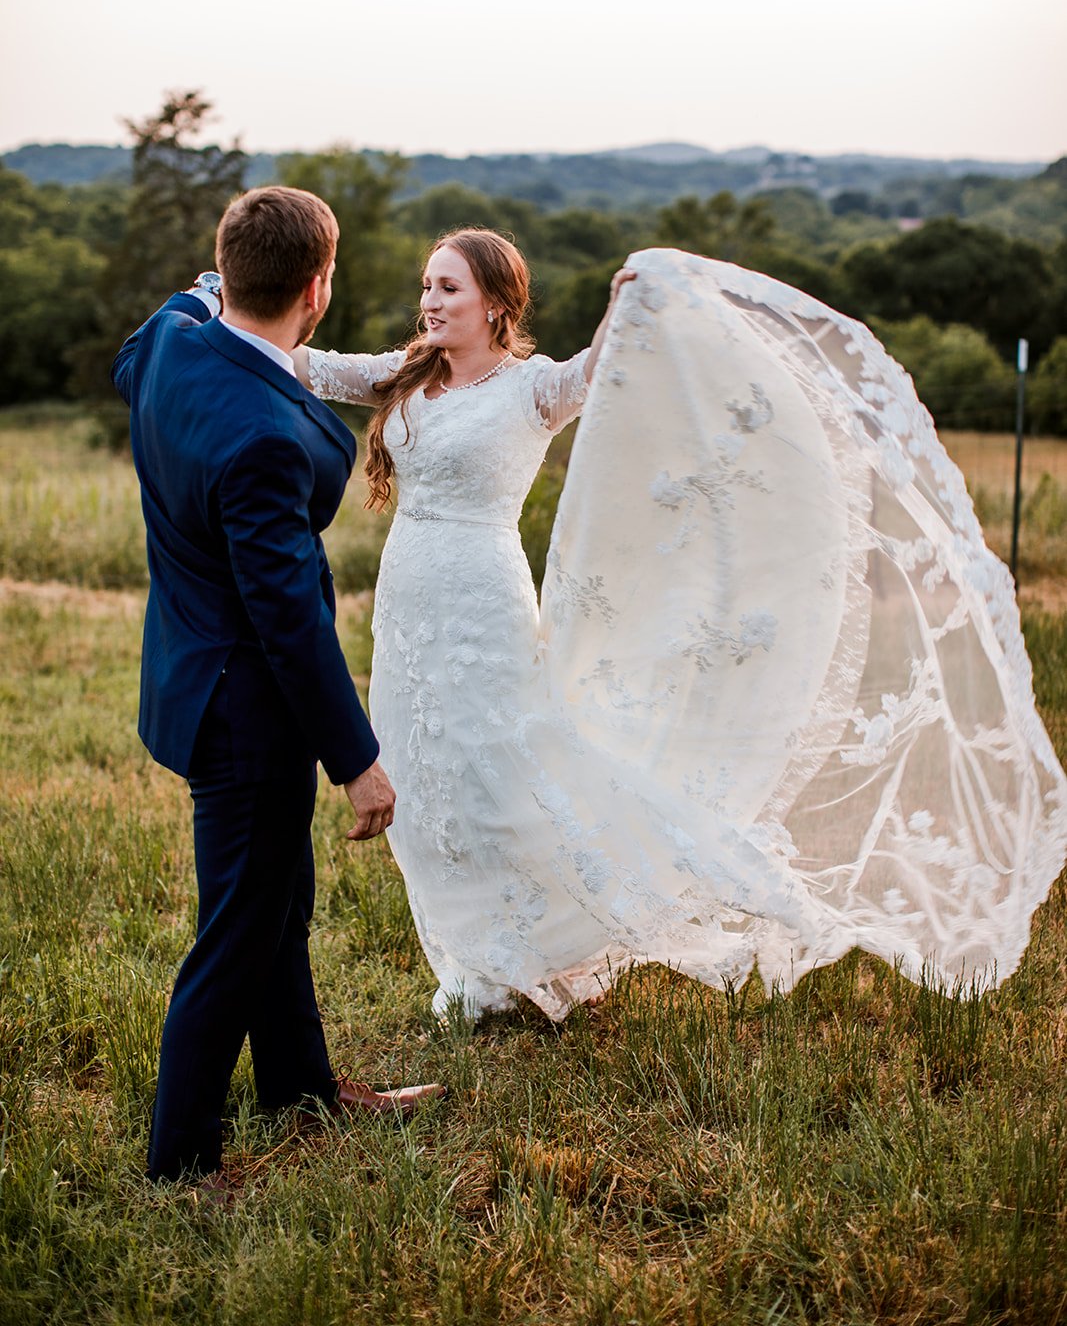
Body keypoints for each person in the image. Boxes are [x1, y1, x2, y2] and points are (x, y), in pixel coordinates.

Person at [295, 227, 1067, 1021]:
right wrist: (213, 317)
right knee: (424, 774)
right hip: (407, 598)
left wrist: (640, 296)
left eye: (448, 288)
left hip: (482, 600)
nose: (429, 300)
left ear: (496, 303)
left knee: (497, 776)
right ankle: (474, 960)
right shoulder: (405, 375)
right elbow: (305, 367)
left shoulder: (532, 389)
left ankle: (526, 953)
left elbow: (613, 367)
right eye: (427, 285)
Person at [111, 186, 443, 1189]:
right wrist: (359, 762)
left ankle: (299, 1087)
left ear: (229, 273)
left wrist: (216, 285)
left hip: (192, 670)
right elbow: (288, 622)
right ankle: (182, 1161)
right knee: (239, 929)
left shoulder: (175, 337)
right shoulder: (262, 435)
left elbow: (175, 310)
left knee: (273, 899)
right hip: (245, 710)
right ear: (318, 286)